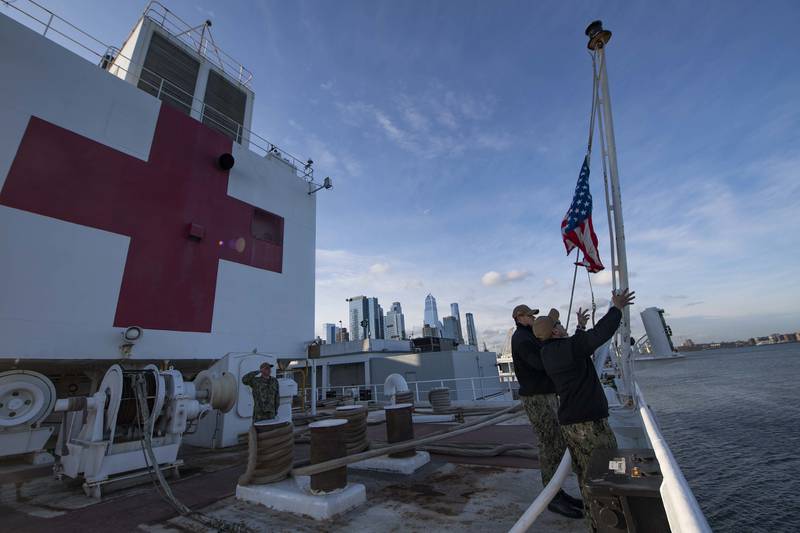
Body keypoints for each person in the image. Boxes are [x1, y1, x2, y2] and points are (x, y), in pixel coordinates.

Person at [535, 288, 636, 530]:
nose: (560, 325)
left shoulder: (548, 352)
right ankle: (613, 521)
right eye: (557, 324)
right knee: (610, 467)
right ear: (556, 331)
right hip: (589, 424)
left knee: (585, 474)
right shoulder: (568, 348)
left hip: (570, 424)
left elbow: (578, 344)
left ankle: (596, 522)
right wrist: (616, 308)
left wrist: (579, 326)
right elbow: (600, 334)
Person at [511, 304, 584, 519]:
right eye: (530, 315)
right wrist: (551, 342)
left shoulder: (528, 336)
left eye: (534, 315)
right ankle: (552, 497)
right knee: (549, 443)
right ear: (519, 317)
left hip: (544, 395)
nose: (533, 318)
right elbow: (539, 363)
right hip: (537, 397)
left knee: (556, 443)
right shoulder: (522, 339)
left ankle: (556, 492)